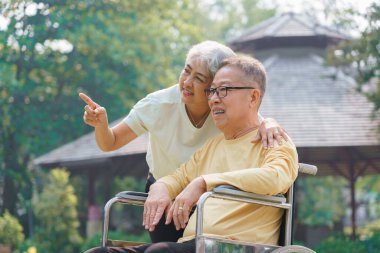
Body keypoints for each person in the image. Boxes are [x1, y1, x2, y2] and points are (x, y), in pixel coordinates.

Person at [84, 55, 298, 253]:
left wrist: (204, 182)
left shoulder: (274, 140)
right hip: (195, 244)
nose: (214, 99)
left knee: (160, 252)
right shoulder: (212, 146)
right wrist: (160, 187)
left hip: (238, 246)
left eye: (223, 90)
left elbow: (275, 177)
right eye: (212, 91)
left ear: (253, 97)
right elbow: (179, 177)